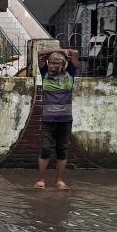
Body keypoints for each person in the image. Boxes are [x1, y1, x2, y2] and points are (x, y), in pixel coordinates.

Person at [35, 47, 80, 190]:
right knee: (45, 149)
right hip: (48, 120)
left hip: (65, 120)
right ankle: (41, 180)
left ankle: (59, 181)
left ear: (63, 65)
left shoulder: (70, 74)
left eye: (55, 63)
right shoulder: (44, 74)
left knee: (62, 150)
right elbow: (40, 53)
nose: (52, 65)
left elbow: (76, 53)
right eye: (50, 63)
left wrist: (66, 53)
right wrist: (59, 50)